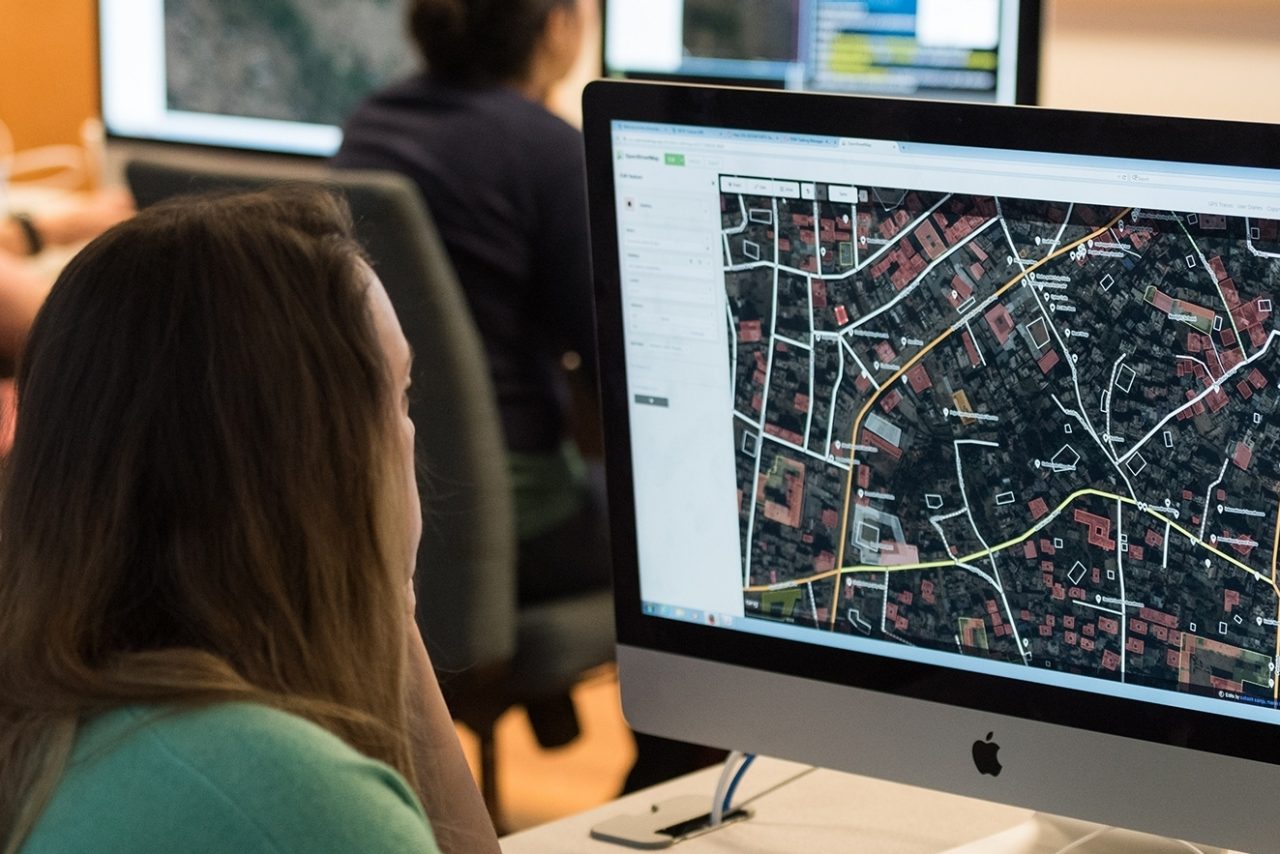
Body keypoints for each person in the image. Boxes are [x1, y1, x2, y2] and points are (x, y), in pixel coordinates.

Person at [0, 188, 500, 853]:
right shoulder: (289, 794)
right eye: (397, 397)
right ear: (320, 461)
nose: (412, 437)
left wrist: (385, 597)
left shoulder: (67, 720)